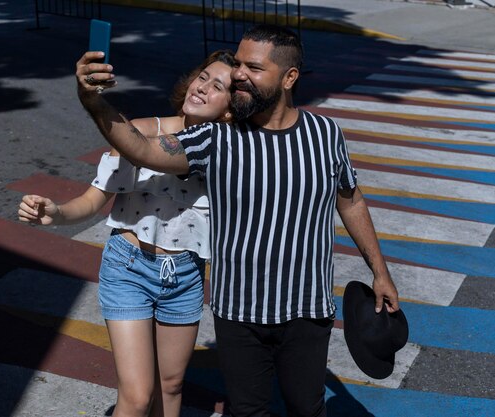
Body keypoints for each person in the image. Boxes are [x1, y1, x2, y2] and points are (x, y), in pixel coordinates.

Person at [75, 24, 400, 417]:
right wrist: (93, 102)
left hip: (307, 309)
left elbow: (350, 202)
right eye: (239, 63)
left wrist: (379, 272)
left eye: (253, 67)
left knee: (306, 408)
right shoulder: (217, 138)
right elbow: (145, 150)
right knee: (248, 411)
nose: (240, 73)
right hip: (240, 312)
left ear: (288, 78)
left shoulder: (325, 134)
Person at [18, 50, 236, 417]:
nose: (203, 88)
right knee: (136, 396)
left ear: (231, 109)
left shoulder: (226, 151)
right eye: (202, 77)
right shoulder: (142, 132)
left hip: (185, 277)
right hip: (129, 268)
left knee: (170, 387)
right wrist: (55, 213)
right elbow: (91, 201)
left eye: (218, 87)